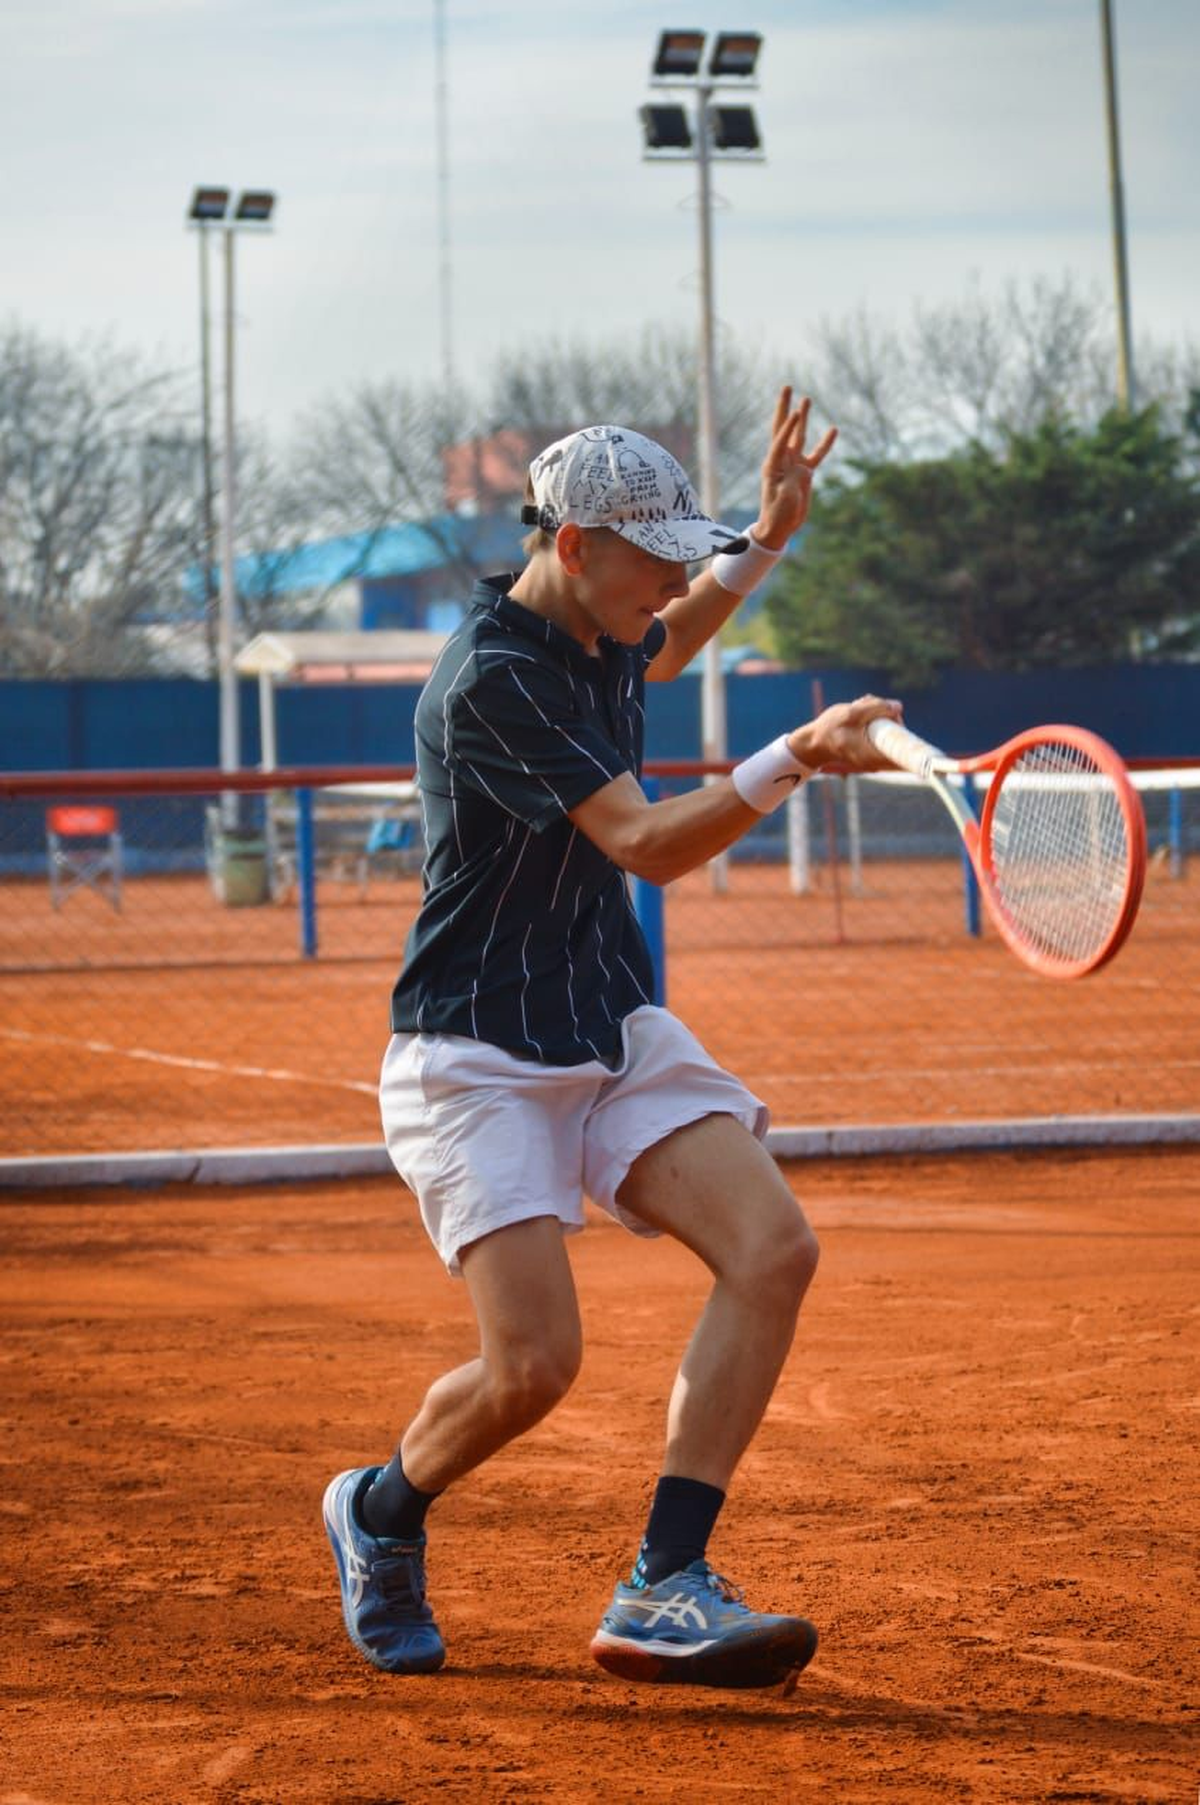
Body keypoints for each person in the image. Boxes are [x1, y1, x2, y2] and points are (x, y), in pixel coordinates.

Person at [323, 388, 901, 1693]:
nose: (675, 580)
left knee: (773, 1249)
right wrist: (796, 757)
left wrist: (767, 536)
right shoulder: (495, 680)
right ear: (576, 547)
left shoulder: (594, 625)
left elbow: (678, 635)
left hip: (606, 1024)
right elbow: (645, 846)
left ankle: (663, 1585)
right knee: (534, 1367)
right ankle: (381, 1510)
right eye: (657, 558)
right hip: (477, 1055)